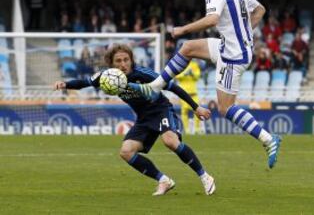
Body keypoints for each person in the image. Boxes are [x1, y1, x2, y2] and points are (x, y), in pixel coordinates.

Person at [129, 0, 281, 169]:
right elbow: (260, 9)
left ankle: (268, 139)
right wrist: (244, 33)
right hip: (230, 47)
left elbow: (212, 20)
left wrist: (183, 29)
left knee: (226, 109)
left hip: (232, 56)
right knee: (187, 48)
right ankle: (154, 87)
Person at [53, 44, 215, 196]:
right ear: (111, 64)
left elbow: (173, 87)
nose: (123, 64)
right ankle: (164, 181)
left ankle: (204, 176)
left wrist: (196, 107)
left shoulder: (143, 74)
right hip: (143, 119)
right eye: (118, 61)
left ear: (131, 60)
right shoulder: (107, 77)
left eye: (126, 60)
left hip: (161, 110)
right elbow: (84, 82)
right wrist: (64, 84)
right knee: (126, 151)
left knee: (170, 141)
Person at [175, 60, 202, 134]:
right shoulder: (180, 63)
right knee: (184, 112)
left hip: (193, 92)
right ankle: (187, 130)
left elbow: (198, 76)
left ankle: (197, 129)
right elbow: (176, 76)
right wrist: (184, 74)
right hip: (183, 93)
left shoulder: (194, 64)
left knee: (197, 110)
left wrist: (192, 74)